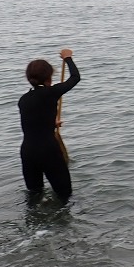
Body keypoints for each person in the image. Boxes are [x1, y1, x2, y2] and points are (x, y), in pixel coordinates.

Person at [18, 49, 81, 202]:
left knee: (34, 195)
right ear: (49, 77)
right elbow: (75, 77)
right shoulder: (51, 93)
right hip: (48, 151)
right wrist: (68, 58)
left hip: (28, 152)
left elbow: (32, 122)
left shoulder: (23, 99)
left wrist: (51, 124)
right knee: (64, 195)